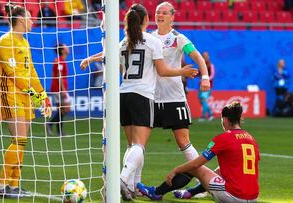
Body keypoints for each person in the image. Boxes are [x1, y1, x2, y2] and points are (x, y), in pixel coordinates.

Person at [80, 4, 198, 201]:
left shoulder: (124, 42)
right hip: (142, 96)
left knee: (131, 145)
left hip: (123, 95)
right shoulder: (152, 41)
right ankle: (122, 178)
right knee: (139, 145)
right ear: (145, 21)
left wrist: (91, 59)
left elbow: (109, 58)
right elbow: (163, 71)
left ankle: (132, 186)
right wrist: (183, 72)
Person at [137, 101, 260, 202]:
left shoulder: (223, 138)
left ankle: (156, 192)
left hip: (233, 196)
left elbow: (196, 164)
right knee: (217, 172)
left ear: (225, 120)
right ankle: (189, 192)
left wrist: (175, 170)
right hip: (253, 197)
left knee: (194, 167)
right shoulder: (251, 139)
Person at [150, 2, 211, 197]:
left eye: (164, 13)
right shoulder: (149, 37)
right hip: (151, 97)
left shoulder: (178, 38)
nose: (160, 15)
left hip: (174, 98)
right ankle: (131, 184)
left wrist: (205, 77)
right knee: (137, 141)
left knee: (183, 141)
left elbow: (198, 57)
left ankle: (204, 184)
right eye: (158, 12)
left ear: (172, 17)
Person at [0, 3, 52, 198]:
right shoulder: (5, 41)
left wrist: (43, 96)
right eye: (29, 17)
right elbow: (12, 75)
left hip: (24, 95)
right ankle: (1, 187)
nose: (32, 20)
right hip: (9, 94)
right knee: (18, 139)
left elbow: (31, 72)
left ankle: (13, 185)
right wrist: (34, 95)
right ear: (19, 20)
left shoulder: (24, 42)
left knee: (21, 141)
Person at [47, 43, 71, 136]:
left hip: (59, 88)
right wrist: (63, 90)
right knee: (65, 109)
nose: (68, 48)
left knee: (62, 110)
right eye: (66, 46)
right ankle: (50, 125)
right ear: (62, 50)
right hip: (58, 89)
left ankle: (59, 131)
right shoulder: (59, 61)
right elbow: (59, 76)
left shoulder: (62, 61)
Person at [198, 51, 215, 121]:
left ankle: (204, 116)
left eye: (206, 56)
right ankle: (210, 114)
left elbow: (212, 75)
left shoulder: (211, 65)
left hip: (208, 86)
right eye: (203, 56)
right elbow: (199, 73)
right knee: (201, 100)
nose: (205, 57)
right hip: (201, 86)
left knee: (203, 100)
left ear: (208, 56)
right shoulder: (201, 65)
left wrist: (205, 79)